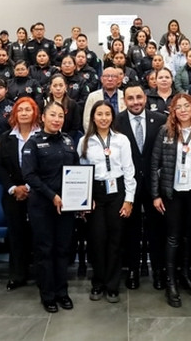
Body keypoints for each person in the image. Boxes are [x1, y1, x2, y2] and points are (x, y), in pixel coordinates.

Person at [151, 94, 191, 308]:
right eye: (179, 107)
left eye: (187, 106)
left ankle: (185, 275)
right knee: (173, 237)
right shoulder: (165, 131)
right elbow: (154, 164)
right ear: (173, 111)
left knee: (189, 236)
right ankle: (171, 282)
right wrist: (155, 195)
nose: (183, 110)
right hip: (172, 193)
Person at [22, 101, 80, 313]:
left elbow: (76, 170)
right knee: (44, 250)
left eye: (60, 116)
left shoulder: (68, 141)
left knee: (63, 249)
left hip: (66, 205)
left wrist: (82, 196)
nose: (57, 120)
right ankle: (47, 295)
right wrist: (52, 195)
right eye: (52, 116)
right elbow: (29, 175)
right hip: (42, 205)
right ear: (43, 118)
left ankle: (62, 292)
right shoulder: (33, 143)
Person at [78, 101, 136, 303]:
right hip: (95, 193)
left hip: (117, 191)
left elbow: (129, 171)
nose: (103, 118)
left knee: (115, 239)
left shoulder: (122, 140)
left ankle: (112, 285)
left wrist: (129, 200)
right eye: (99, 114)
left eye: (107, 114)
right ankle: (98, 282)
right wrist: (84, 200)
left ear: (113, 117)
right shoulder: (85, 141)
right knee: (96, 239)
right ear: (93, 117)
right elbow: (81, 173)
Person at [115, 83, 168, 291]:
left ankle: (157, 270)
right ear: (124, 100)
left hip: (154, 186)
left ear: (145, 99)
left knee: (157, 230)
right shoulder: (116, 122)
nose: (135, 102)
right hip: (128, 186)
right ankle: (133, 271)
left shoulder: (161, 120)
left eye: (139, 97)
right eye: (130, 98)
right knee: (131, 230)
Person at [0, 97, 39, 292]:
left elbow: (47, 166)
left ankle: (40, 274)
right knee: (16, 234)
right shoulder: (6, 137)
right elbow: (0, 167)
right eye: (20, 110)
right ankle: (17, 274)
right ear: (14, 114)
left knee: (39, 235)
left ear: (35, 112)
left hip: (38, 193)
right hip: (13, 193)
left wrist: (29, 187)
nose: (24, 113)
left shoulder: (43, 135)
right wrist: (14, 188)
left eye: (28, 110)